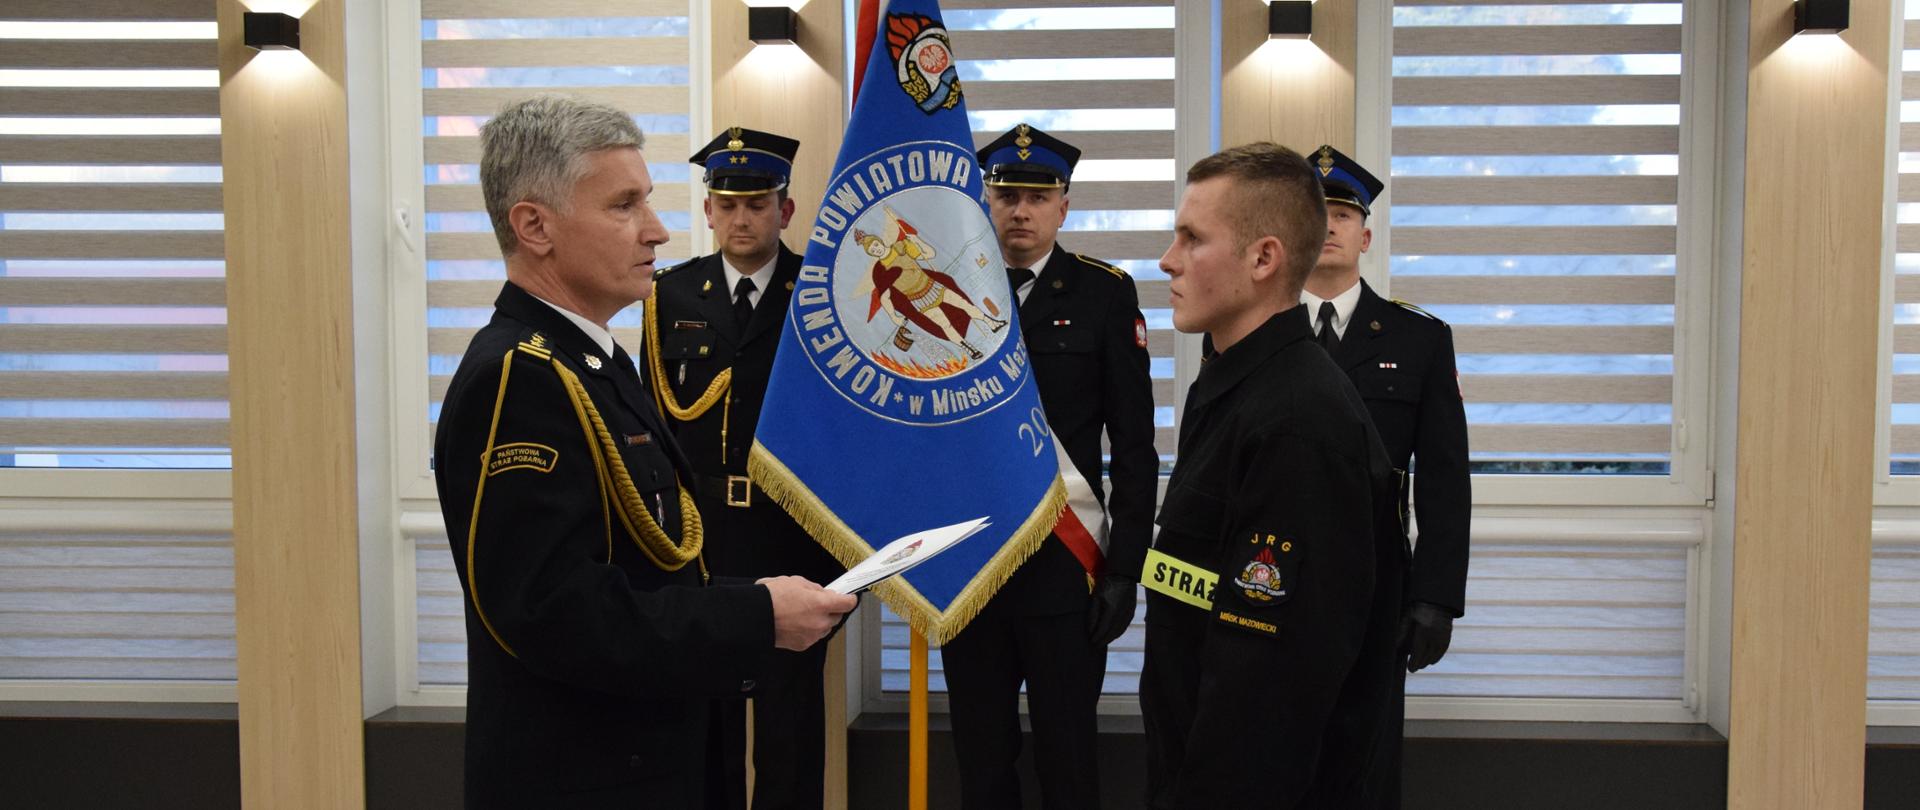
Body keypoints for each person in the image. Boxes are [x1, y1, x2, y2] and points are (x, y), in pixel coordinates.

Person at [434, 96, 855, 810]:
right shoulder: (521, 377)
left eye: (649, 203)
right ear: (534, 226)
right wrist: (754, 617)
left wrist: (749, 604)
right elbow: (554, 612)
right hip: (590, 775)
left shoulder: (591, 362)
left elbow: (649, 564)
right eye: (625, 206)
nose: (658, 231)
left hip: (653, 755)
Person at [1141, 142, 1407, 810]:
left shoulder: (1297, 422)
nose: (1167, 260)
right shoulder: (1233, 385)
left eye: (1191, 239)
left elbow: (1271, 684)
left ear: (1264, 259)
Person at [938, 123, 1159, 810]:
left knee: (1067, 754)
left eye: (1038, 196)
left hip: (1065, 569)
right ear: (985, 199)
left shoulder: (1103, 294)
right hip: (969, 563)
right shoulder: (941, 291)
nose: (1020, 211)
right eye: (1006, 194)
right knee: (981, 756)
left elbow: (1135, 447)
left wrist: (1125, 570)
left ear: (1064, 205)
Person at [638, 126, 848, 810]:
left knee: (790, 731)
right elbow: (652, 429)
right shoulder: (670, 295)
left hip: (792, 532)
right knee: (709, 725)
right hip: (702, 539)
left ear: (785, 211)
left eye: (756, 203)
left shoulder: (823, 294)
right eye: (726, 203)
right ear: (706, 211)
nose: (740, 217)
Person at [1302, 144, 1472, 805]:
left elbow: (1444, 480)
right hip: (1269, 578)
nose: (1330, 225)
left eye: (1343, 213)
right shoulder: (1246, 331)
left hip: (1376, 580)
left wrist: (1435, 596)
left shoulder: (1418, 339)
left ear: (1365, 235)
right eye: (1314, 213)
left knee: (1366, 761)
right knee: (1276, 752)